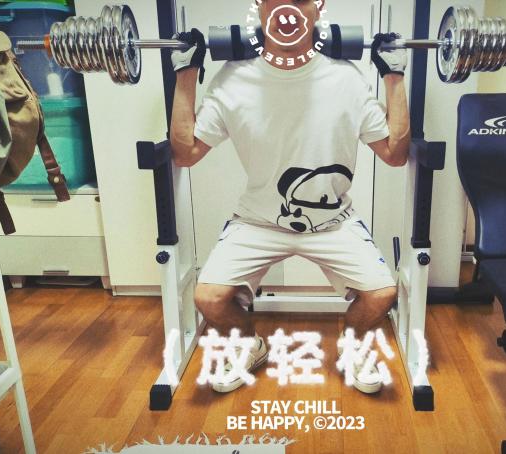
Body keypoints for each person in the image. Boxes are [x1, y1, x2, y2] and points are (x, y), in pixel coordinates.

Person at [170, 0, 410, 394]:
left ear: (318, 7)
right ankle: (249, 345)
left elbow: (394, 154)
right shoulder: (233, 79)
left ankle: (352, 345)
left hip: (332, 221)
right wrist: (186, 73)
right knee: (209, 298)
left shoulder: (346, 79)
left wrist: (394, 76)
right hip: (257, 220)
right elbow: (186, 153)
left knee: (382, 294)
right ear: (259, 6)